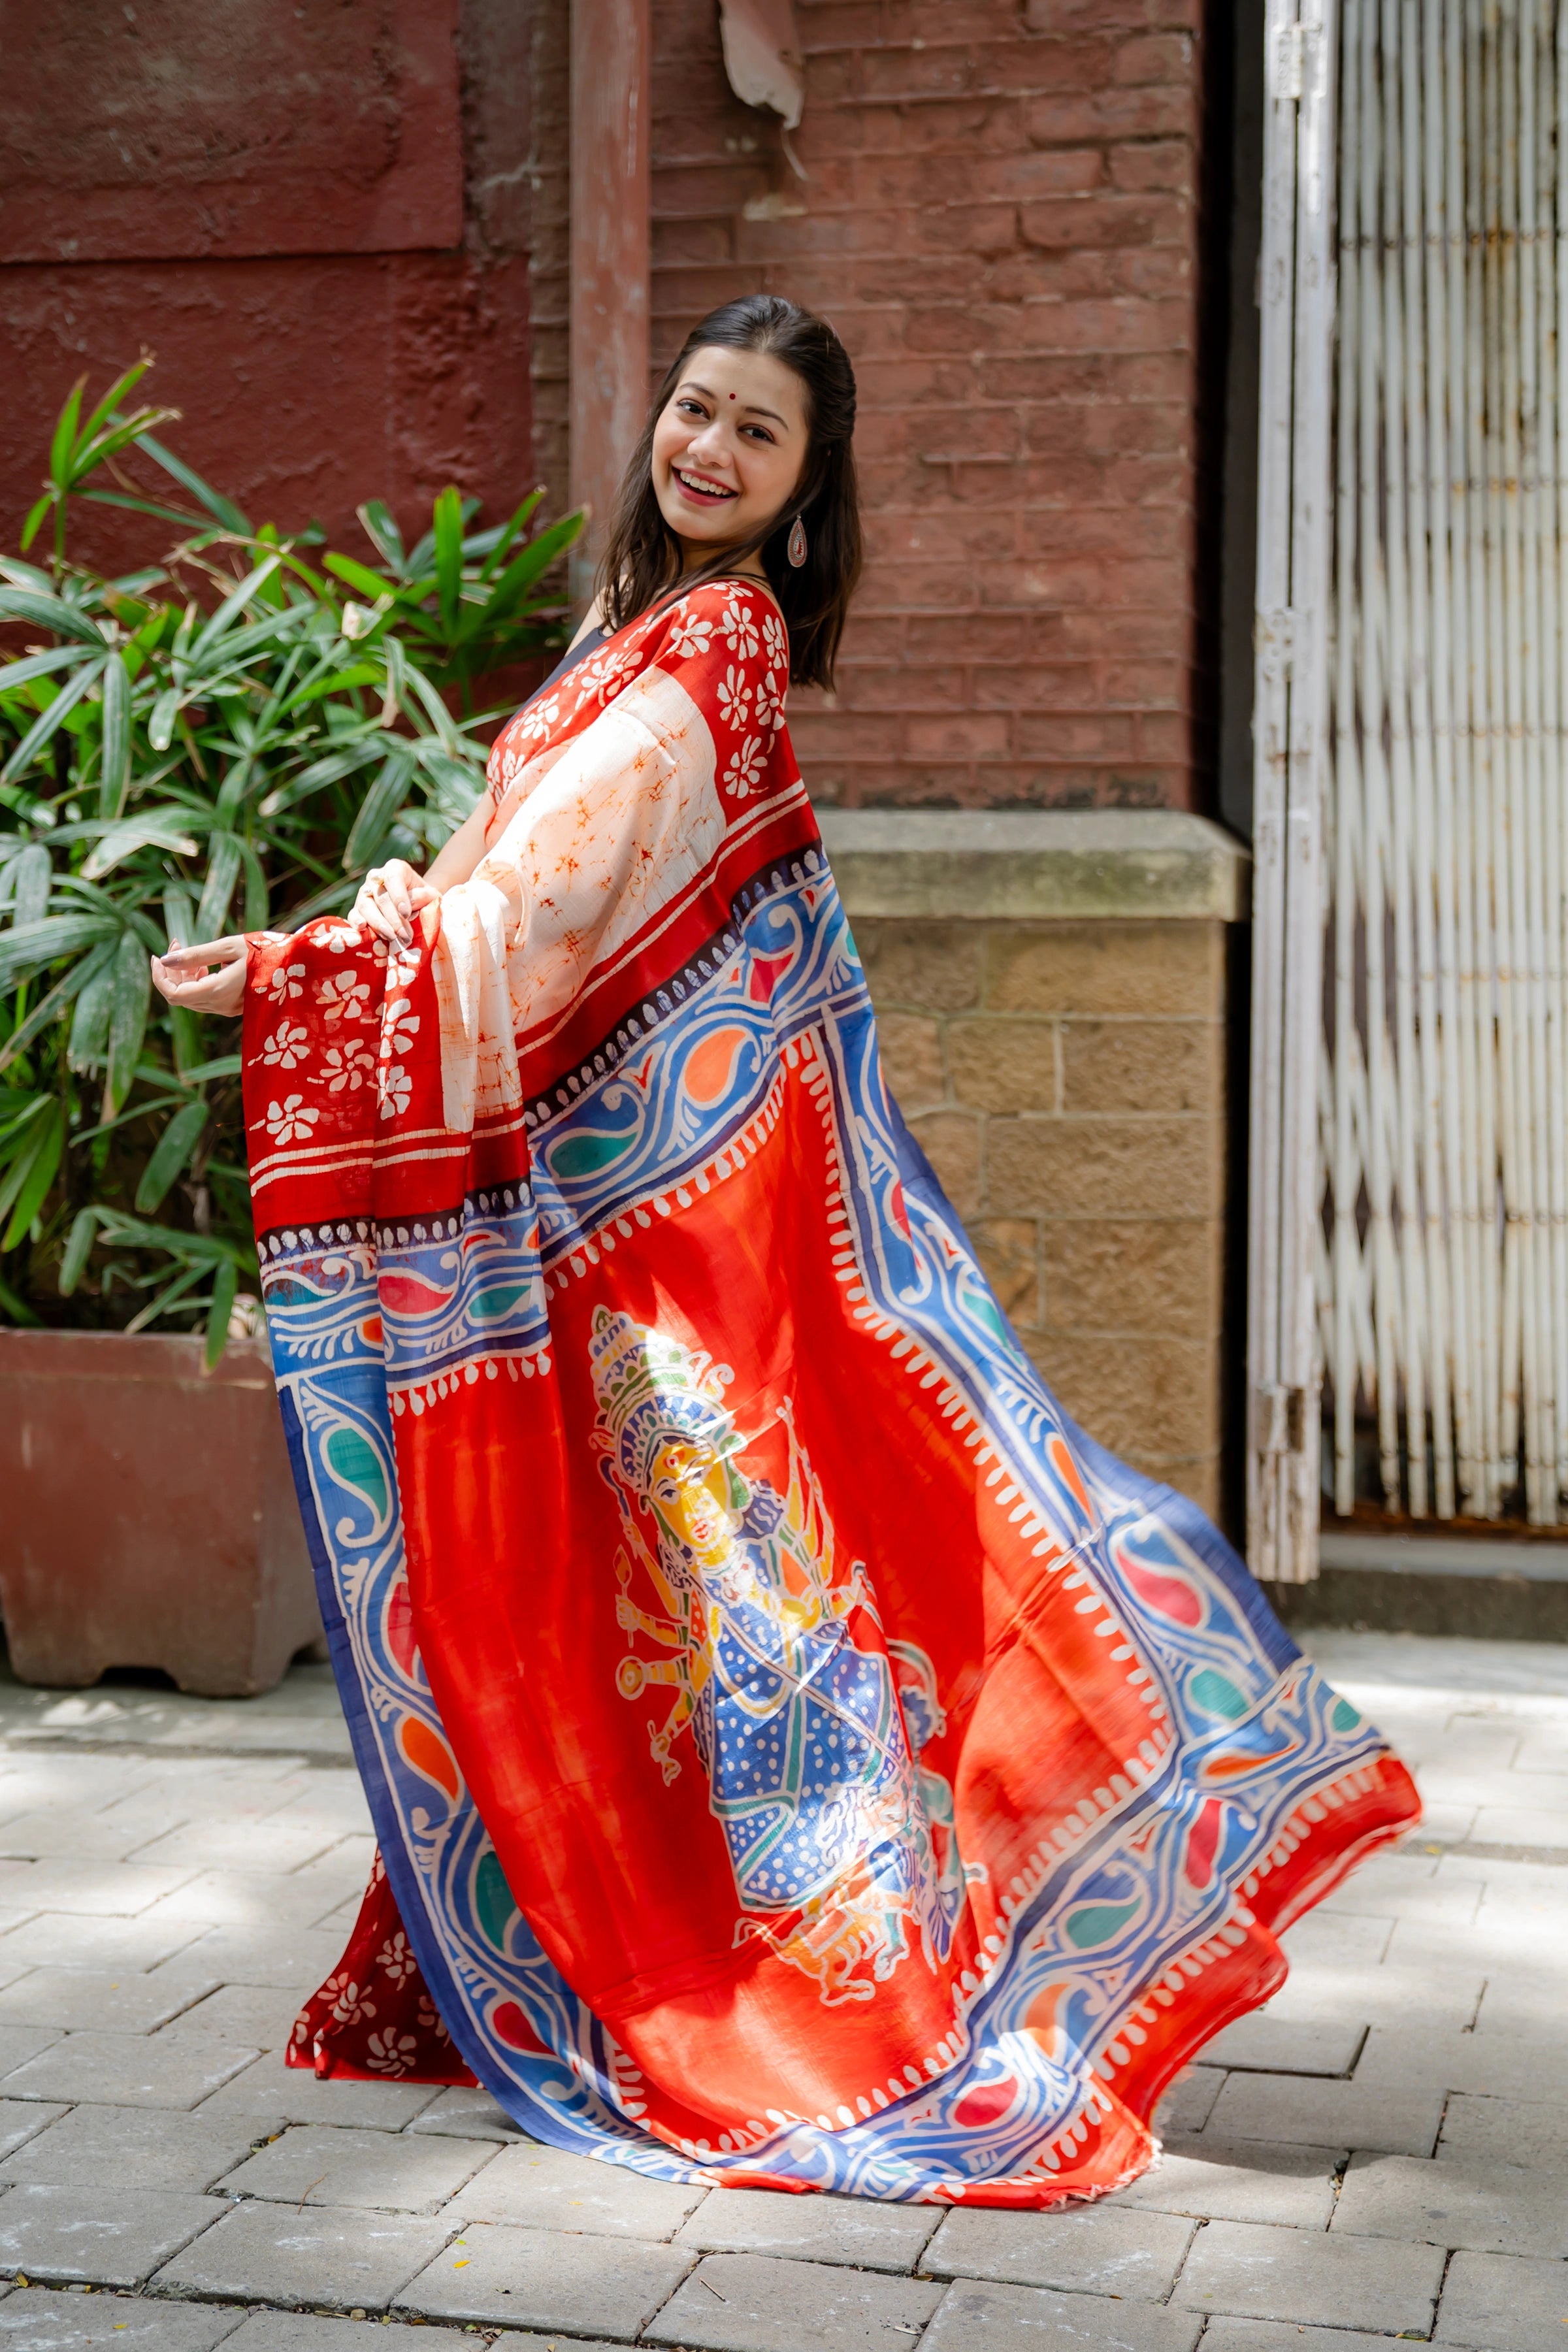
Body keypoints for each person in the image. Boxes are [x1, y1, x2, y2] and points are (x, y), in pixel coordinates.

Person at [153, 295, 1418, 2206]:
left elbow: (550, 905)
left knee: (743, 1605)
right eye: (694, 410)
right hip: (590, 1214)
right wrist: (403, 922)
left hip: (672, 1251)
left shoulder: (723, 640)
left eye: (759, 434)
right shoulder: (619, 631)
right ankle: (617, 1943)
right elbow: (512, 881)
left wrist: (312, 969)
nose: (709, 450)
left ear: (809, 493)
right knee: (658, 1601)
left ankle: (836, 1987)